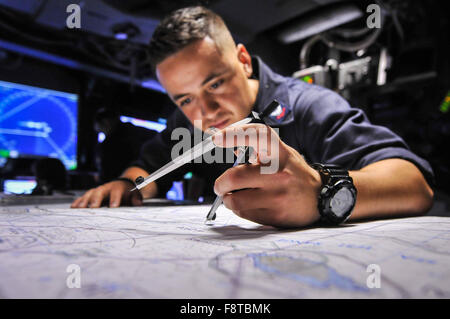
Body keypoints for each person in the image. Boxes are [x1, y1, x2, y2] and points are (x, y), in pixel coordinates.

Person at [71, 6, 434, 228]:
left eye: (214, 83)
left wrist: (321, 191)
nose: (205, 112)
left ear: (243, 61)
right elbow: (148, 169)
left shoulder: (309, 106)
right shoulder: (188, 124)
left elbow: (414, 185)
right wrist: (127, 186)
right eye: (184, 98)